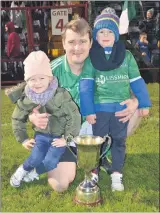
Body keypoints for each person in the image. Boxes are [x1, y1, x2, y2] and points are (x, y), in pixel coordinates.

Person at [7, 18, 139, 192]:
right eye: (72, 42)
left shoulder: (103, 65)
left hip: (95, 126)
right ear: (63, 43)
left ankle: (103, 152)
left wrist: (135, 101)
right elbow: (26, 95)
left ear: (91, 43)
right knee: (59, 184)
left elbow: (127, 90)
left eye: (82, 42)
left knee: (134, 111)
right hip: (63, 135)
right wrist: (33, 116)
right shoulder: (50, 71)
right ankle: (71, 158)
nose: (77, 48)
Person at [79, 8, 151, 191]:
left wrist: (143, 103)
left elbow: (137, 81)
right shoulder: (91, 59)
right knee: (98, 141)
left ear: (116, 34)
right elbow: (86, 87)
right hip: (100, 109)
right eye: (101, 31)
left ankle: (116, 173)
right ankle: (94, 171)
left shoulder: (126, 57)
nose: (105, 35)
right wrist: (88, 110)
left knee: (119, 141)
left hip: (121, 109)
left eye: (109, 31)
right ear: (95, 35)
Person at [8, 51, 81, 188]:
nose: (37, 83)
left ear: (49, 78)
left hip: (58, 138)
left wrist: (67, 138)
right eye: (32, 79)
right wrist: (23, 138)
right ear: (27, 81)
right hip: (41, 136)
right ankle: (22, 171)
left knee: (50, 161)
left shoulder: (61, 95)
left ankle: (35, 173)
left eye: (41, 78)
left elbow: (74, 116)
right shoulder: (27, 98)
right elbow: (17, 118)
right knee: (35, 157)